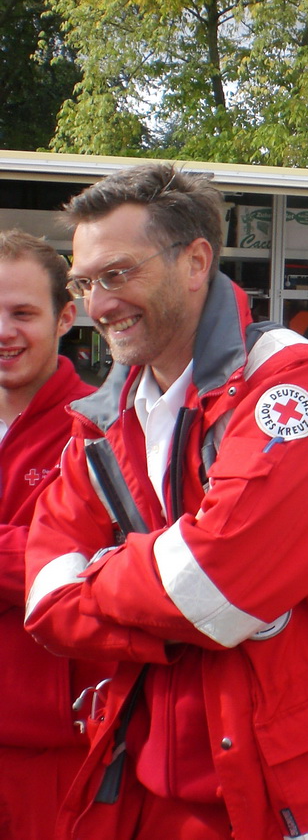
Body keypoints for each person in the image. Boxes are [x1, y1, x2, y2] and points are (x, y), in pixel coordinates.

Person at [24, 164, 308, 840]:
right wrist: (166, 586)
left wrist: (103, 573)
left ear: (195, 262)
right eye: (84, 283)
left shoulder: (289, 382)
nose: (99, 305)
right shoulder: (103, 418)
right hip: (163, 791)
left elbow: (215, 588)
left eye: (117, 274)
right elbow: (44, 599)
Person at [0, 231, 105, 840]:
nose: (4, 332)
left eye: (23, 313)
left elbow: (77, 564)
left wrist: (34, 555)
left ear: (67, 318)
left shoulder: (98, 428)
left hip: (51, 749)